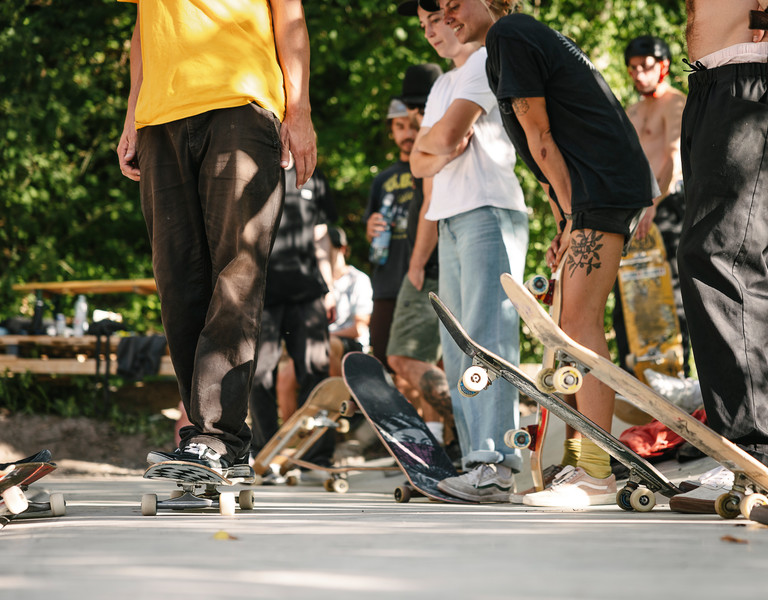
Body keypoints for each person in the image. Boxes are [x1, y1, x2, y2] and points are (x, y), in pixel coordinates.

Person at [438, 0, 658, 507]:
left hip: (602, 188)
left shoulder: (509, 35)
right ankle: (582, 463)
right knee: (565, 328)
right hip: (601, 186)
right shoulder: (518, 36)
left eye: (453, 2)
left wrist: (570, 209)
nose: (446, 13)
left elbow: (540, 139)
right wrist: (565, 215)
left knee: (579, 324)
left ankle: (597, 474)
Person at [116, 0, 316, 472]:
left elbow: (290, 19)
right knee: (177, 283)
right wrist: (132, 116)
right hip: (159, 117)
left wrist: (299, 110)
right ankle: (205, 441)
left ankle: (219, 437)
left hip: (240, 106)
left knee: (236, 274)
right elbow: (145, 28)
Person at [408, 0, 530, 502]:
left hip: (489, 210)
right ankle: (475, 460)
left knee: (488, 339)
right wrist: (431, 149)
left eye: (437, 18)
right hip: (451, 218)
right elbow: (419, 162)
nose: (432, 31)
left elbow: (451, 139)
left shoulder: (485, 60)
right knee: (459, 349)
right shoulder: (441, 84)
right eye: (422, 25)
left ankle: (495, 465)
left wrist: (432, 148)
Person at [668, 1, 768, 513]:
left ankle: (753, 455)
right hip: (712, 85)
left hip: (747, 77)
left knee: (720, 256)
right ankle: (741, 452)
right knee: (730, 260)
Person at [384, 56, 453, 446]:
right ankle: (443, 439)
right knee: (443, 357)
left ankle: (456, 420)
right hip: (451, 260)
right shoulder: (455, 125)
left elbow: (430, 202)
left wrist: (416, 261)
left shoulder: (434, 131)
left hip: (430, 265)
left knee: (403, 358)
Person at [248, 161, 336, 467]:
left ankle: (317, 454)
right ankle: (265, 451)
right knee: (258, 375)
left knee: (316, 371)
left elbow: (321, 235)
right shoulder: (252, 167)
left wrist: (330, 287)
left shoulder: (311, 173)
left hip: (307, 289)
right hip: (260, 290)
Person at [612, 36, 690, 376]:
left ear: (664, 66)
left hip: (667, 206)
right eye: (633, 68)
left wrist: (654, 204)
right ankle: (633, 379)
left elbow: (675, 156)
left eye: (646, 66)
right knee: (626, 301)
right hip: (633, 212)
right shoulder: (631, 110)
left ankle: (678, 378)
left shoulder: (676, 103)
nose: (639, 74)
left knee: (671, 297)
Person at [364, 99, 420, 369]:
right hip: (386, 283)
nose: (408, 134)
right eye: (400, 127)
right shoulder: (381, 179)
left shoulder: (433, 171)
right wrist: (370, 228)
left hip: (424, 282)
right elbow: (370, 230)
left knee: (421, 360)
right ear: (392, 130)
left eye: (412, 126)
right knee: (382, 360)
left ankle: (428, 414)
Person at [326, 226, 374, 377]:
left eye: (326, 249)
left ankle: (341, 394)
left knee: (324, 348)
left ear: (343, 249)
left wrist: (327, 335)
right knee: (285, 371)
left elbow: (359, 328)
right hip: (324, 339)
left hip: (352, 345)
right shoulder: (317, 282)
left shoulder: (358, 279)